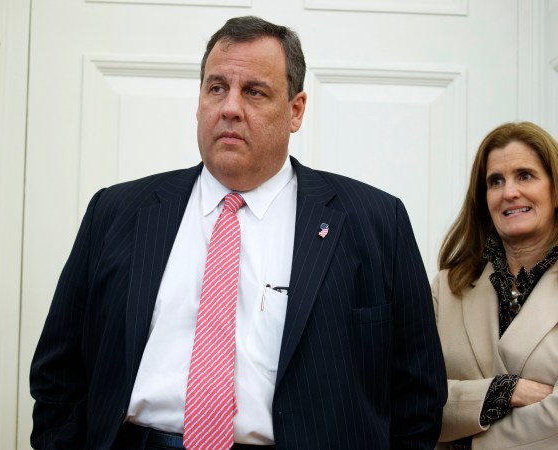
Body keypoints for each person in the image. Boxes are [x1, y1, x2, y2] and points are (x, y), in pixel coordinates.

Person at [30, 15, 446, 450]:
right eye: (216, 88)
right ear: (199, 103)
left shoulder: (375, 221)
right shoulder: (117, 213)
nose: (230, 107)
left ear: (296, 110)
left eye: (254, 91)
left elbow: (418, 395)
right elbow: (58, 374)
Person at [432, 121, 558, 450]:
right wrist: (499, 393)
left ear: (555, 190)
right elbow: (413, 399)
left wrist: (464, 435)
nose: (509, 192)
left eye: (525, 176)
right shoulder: (447, 288)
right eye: (495, 181)